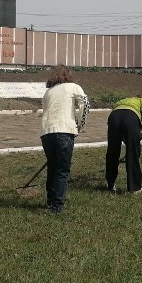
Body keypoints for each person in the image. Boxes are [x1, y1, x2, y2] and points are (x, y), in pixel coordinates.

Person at [40, 65, 89, 214]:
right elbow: (84, 105)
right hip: (64, 131)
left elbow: (45, 110)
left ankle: (50, 201)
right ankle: (57, 206)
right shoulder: (73, 87)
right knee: (62, 170)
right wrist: (79, 126)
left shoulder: (48, 92)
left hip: (47, 133)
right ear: (68, 75)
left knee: (52, 167)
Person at [105, 96, 142, 195]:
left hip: (113, 117)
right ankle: (135, 188)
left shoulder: (121, 101)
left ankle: (110, 184)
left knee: (112, 151)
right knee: (133, 151)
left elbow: (119, 120)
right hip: (130, 118)